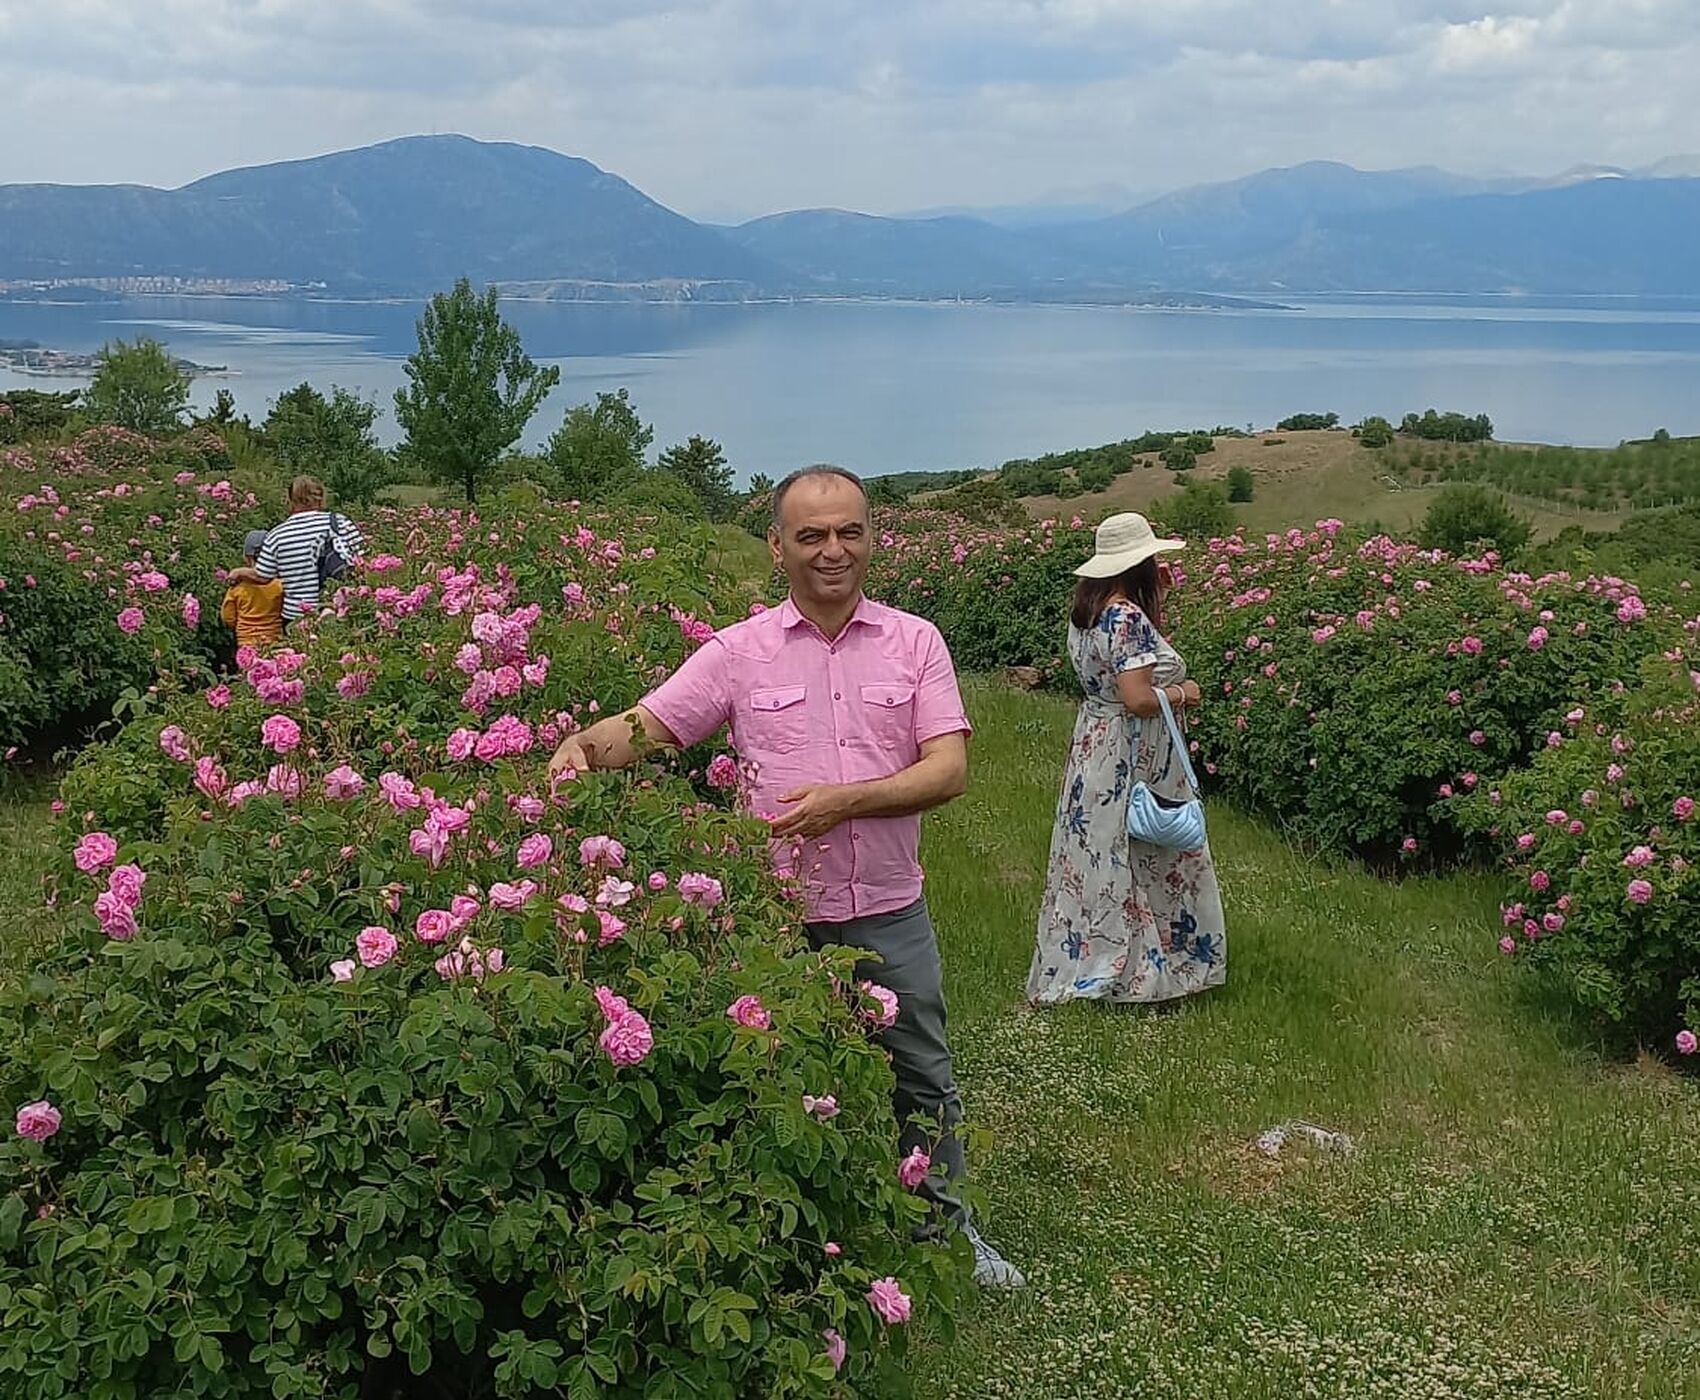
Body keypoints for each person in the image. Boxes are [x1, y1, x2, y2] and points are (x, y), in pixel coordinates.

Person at [546, 465, 1025, 1290]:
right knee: (778, 1078)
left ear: (872, 538)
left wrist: (848, 801)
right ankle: (797, 1246)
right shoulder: (739, 653)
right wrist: (581, 748)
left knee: (921, 1076)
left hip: (886, 908)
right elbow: (653, 727)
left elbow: (948, 771)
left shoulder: (916, 642)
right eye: (811, 535)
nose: (832, 550)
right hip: (776, 917)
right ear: (777, 547)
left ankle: (948, 1235)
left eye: (849, 532)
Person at [1027, 511, 1227, 1006]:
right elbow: (1138, 696)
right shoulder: (1127, 618)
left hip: (1096, 741)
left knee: (1101, 849)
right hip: (1133, 749)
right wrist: (1184, 692)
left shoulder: (1091, 614)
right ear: (1138, 563)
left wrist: (1156, 595)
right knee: (1147, 847)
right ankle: (1141, 971)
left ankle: (1096, 957)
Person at [225, 475, 363, 623]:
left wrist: (238, 572)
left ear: (290, 499)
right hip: (339, 609)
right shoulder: (340, 522)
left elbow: (262, 576)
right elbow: (361, 561)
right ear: (321, 497)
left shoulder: (277, 535)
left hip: (296, 616)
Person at [219, 529, 285, 649]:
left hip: (247, 643)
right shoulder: (279, 586)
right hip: (274, 641)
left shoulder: (237, 588)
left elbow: (228, 617)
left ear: (246, 558)